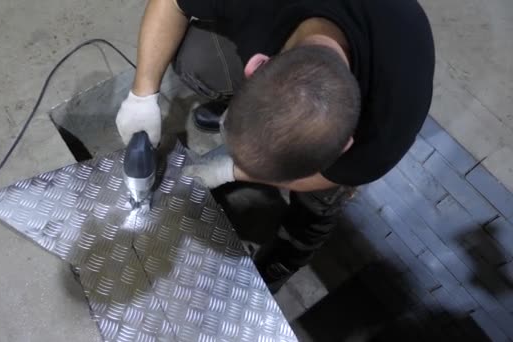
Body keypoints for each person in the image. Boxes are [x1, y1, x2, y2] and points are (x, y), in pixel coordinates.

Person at [115, 0, 435, 293]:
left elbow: (331, 175)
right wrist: (142, 94)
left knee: (318, 204)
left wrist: (231, 169)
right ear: (255, 65)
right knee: (196, 57)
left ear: (345, 145)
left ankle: (286, 256)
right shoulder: (259, 8)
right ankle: (246, 118)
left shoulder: (387, 126)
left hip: (385, 70)